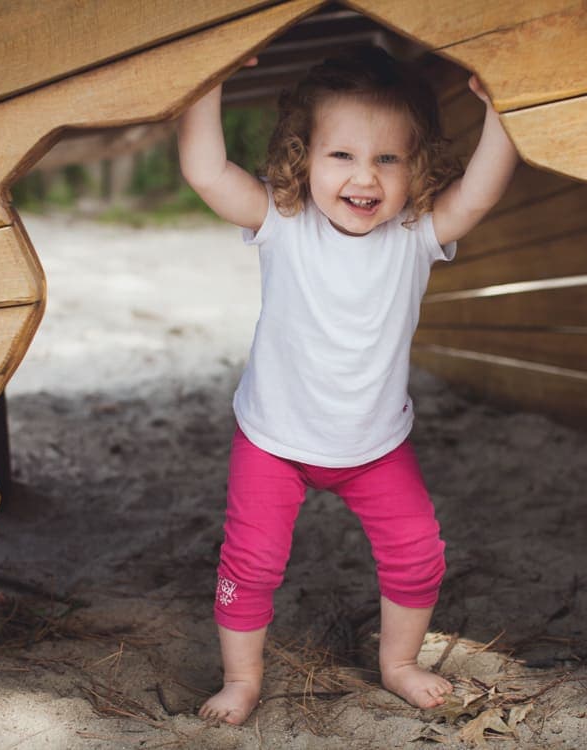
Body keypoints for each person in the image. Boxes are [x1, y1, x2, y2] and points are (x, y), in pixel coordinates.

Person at [177, 45, 518, 725]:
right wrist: (203, 87)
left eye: (388, 158)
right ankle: (242, 679)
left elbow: (478, 193)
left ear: (415, 166)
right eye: (341, 156)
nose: (365, 177)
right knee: (250, 560)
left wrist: (503, 115)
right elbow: (207, 171)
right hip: (274, 440)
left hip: (374, 445)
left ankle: (397, 663)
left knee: (419, 553)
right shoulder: (284, 222)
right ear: (302, 158)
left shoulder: (415, 234)